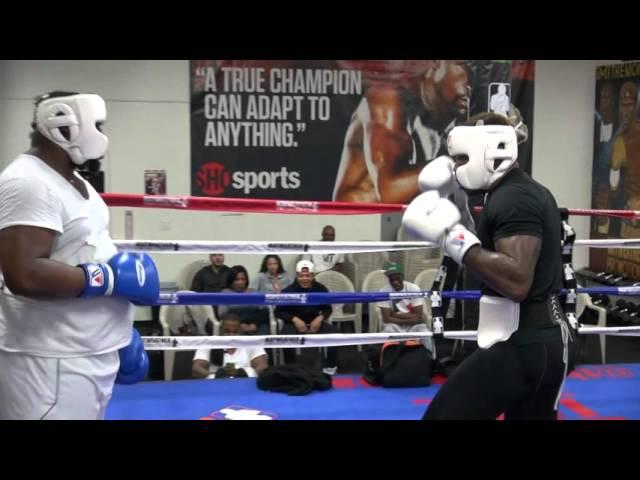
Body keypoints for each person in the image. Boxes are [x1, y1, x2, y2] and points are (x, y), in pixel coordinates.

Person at [402, 111, 572, 420]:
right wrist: (461, 214)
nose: (458, 167)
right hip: (541, 338)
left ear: (492, 149)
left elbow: (517, 280)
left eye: (464, 158)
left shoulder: (513, 197)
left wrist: (451, 237)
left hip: (521, 342)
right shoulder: (518, 191)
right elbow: (491, 249)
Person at [0, 91, 159, 420]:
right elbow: (23, 273)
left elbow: (85, 251)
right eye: (98, 125)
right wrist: (112, 281)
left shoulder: (74, 183)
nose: (102, 134)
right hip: (50, 361)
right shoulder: (29, 183)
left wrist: (117, 330)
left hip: (82, 353)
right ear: (65, 126)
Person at [332, 60, 470, 204]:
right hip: (359, 220)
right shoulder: (387, 99)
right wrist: (455, 164)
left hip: (401, 220)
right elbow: (390, 192)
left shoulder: (443, 115)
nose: (469, 78)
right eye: (462, 64)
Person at [274, 260, 339, 375]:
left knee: (335, 335)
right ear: (296, 276)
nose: (304, 279)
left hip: (315, 320)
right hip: (294, 322)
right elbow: (278, 312)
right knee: (286, 338)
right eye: (301, 276)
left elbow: (327, 308)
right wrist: (294, 319)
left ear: (313, 276)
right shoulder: (288, 291)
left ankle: (330, 367)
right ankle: (291, 369)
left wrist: (319, 318)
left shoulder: (321, 289)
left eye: (308, 276)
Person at [376, 263, 433, 354]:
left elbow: (418, 315)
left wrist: (394, 315)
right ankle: (388, 363)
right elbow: (386, 319)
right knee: (387, 331)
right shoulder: (383, 291)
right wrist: (411, 319)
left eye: (397, 278)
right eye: (391, 279)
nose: (395, 282)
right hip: (395, 325)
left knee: (425, 333)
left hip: (413, 325)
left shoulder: (413, 288)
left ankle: (431, 361)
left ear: (403, 277)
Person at [192, 312, 269, 379]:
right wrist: (215, 376)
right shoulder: (209, 342)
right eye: (227, 331)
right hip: (216, 384)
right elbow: (196, 369)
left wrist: (246, 374)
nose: (231, 335)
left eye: (235, 332)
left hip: (245, 383)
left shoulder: (251, 342)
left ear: (241, 331)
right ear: (220, 330)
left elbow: (263, 366)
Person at [219, 265, 271, 336]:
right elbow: (222, 313)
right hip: (234, 326)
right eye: (237, 279)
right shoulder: (225, 293)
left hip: (256, 325)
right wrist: (239, 324)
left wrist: (254, 325)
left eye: (243, 279)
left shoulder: (254, 292)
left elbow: (265, 310)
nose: (240, 282)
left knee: (264, 332)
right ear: (231, 281)